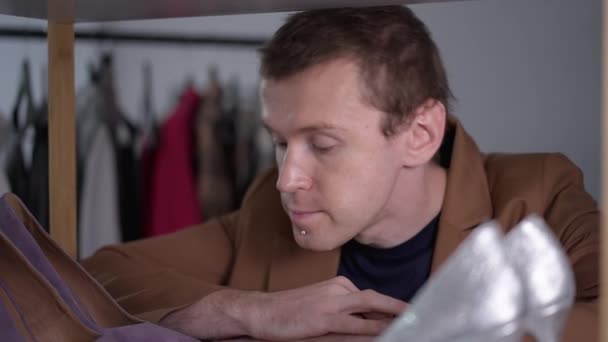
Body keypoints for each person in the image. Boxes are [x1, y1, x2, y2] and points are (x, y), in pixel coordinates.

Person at [82, 6, 599, 341]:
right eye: (281, 142)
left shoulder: (541, 195)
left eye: (322, 144)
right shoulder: (269, 207)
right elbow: (102, 273)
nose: (287, 178)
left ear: (419, 134)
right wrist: (250, 312)